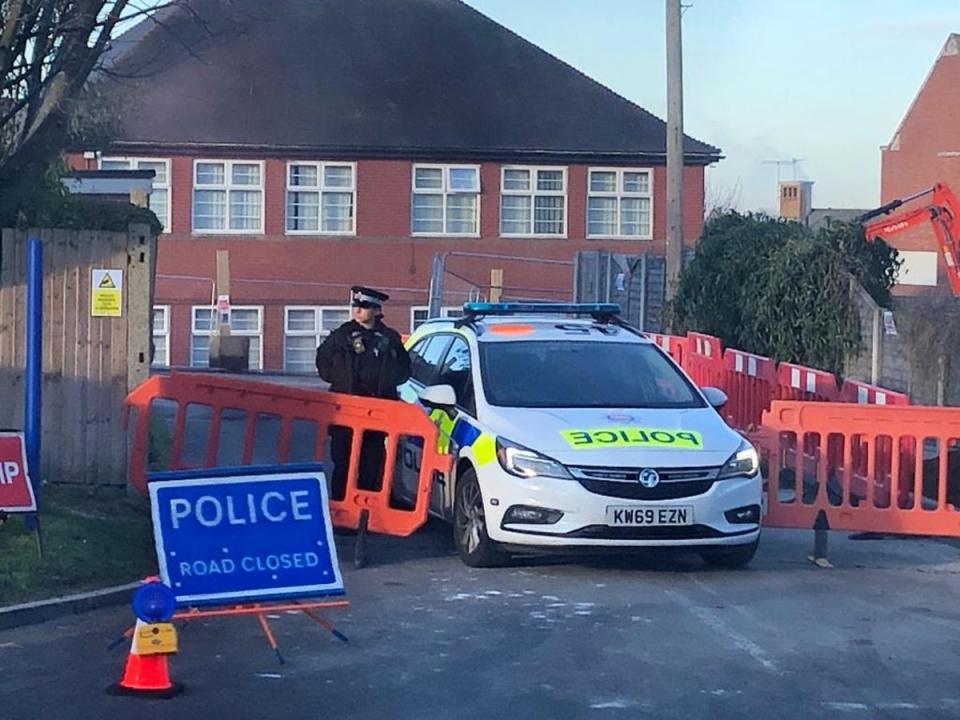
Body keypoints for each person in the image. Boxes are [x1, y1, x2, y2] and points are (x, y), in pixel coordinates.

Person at [316, 286, 411, 498]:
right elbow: (323, 362)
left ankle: (366, 516)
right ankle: (343, 516)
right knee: (343, 464)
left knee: (371, 466)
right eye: (356, 305)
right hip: (346, 411)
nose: (358, 310)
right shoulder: (341, 336)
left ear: (377, 311)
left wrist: (386, 385)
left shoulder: (389, 339)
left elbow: (404, 371)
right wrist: (341, 381)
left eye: (365, 306)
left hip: (378, 412)